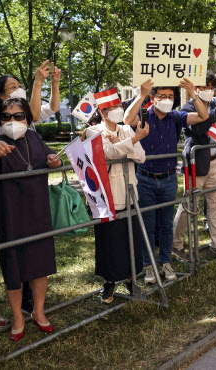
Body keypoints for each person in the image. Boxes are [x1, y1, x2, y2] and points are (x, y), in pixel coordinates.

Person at [124, 78, 208, 284]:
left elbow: (203, 116)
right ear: (153, 98)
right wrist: (141, 95)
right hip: (145, 178)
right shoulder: (144, 114)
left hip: (169, 178)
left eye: (170, 96)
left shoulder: (176, 117)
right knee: (148, 224)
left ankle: (165, 261)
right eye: (162, 96)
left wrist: (192, 93)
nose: (167, 100)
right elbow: (127, 120)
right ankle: (149, 264)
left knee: (166, 224)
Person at [0, 97, 62, 341]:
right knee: (13, 269)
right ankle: (17, 317)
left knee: (39, 265)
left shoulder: (34, 137)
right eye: (6, 116)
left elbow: (52, 158)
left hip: (38, 213)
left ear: (27, 118)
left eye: (18, 116)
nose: (12, 121)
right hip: (10, 217)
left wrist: (56, 161)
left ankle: (39, 311)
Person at [83, 101, 148, 304]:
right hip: (105, 194)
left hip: (129, 192)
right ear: (102, 112)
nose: (118, 111)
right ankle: (109, 282)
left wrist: (123, 144)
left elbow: (141, 157)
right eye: (112, 108)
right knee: (109, 240)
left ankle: (131, 279)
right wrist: (134, 140)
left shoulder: (126, 129)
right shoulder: (92, 131)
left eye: (118, 106)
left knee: (131, 237)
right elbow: (104, 154)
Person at [174, 72, 216, 263]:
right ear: (196, 89)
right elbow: (199, 129)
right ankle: (176, 244)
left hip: (214, 159)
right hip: (195, 162)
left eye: (211, 87)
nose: (208, 91)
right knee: (188, 204)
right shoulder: (188, 107)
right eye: (204, 87)